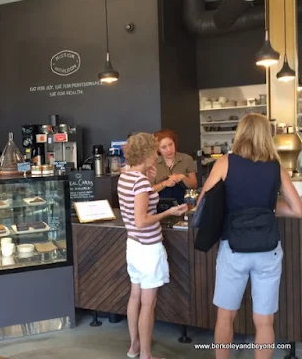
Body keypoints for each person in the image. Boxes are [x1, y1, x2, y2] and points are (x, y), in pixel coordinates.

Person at [198, 113, 302, 359]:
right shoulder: (276, 167)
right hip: (268, 249)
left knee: (226, 316)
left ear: (240, 133)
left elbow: (204, 202)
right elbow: (298, 210)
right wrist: (268, 207)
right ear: (267, 134)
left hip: (234, 248)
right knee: (264, 321)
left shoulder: (225, 163)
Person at [117, 132, 188, 359]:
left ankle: (134, 347)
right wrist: (169, 212)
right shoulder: (139, 181)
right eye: (155, 152)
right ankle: (147, 355)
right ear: (147, 153)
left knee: (134, 296)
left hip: (133, 245)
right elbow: (141, 220)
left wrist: (157, 182)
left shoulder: (126, 176)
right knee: (148, 304)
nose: (157, 155)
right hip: (148, 247)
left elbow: (143, 196)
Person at [151, 129, 197, 204]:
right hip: (161, 204)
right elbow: (149, 190)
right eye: (164, 147)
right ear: (158, 149)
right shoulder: (153, 163)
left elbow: (194, 185)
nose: (169, 150)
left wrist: (183, 177)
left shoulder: (187, 159)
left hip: (184, 202)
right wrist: (165, 183)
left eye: (171, 144)